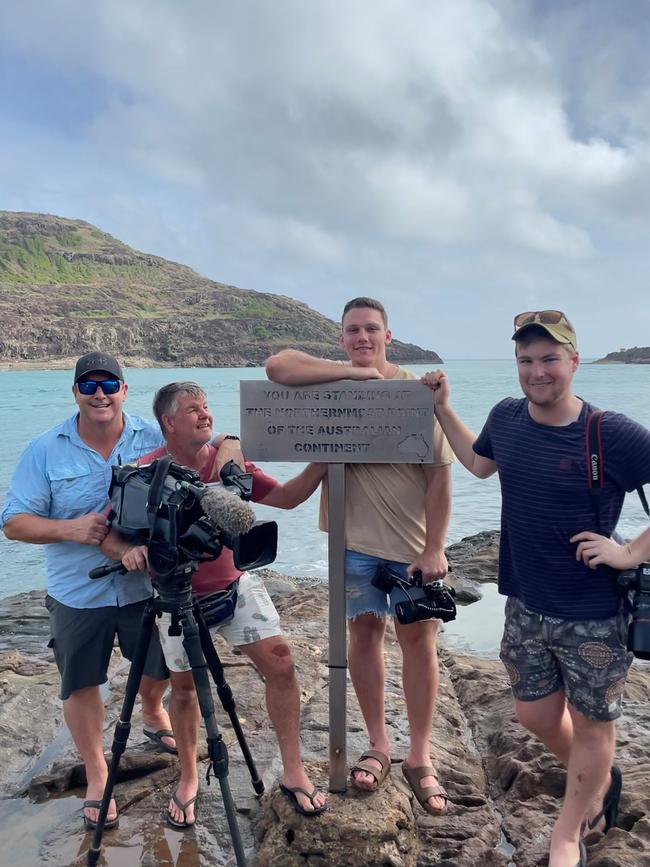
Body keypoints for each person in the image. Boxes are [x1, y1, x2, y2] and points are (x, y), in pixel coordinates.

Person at [422, 311, 650, 867]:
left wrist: (627, 552)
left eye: (550, 358)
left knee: (595, 725)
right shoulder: (507, 415)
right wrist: (443, 407)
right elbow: (479, 463)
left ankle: (568, 831)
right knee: (534, 716)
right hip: (524, 602)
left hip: (593, 614)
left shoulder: (610, 432)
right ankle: (597, 781)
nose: (537, 371)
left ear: (574, 361)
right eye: (527, 360)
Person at [102, 381, 328, 828]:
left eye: (207, 407)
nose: (206, 415)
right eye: (192, 410)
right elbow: (109, 534)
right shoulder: (144, 474)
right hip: (174, 597)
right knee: (185, 691)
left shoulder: (229, 465)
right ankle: (188, 779)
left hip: (236, 586)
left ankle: (293, 769)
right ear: (168, 422)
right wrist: (126, 553)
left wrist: (326, 455)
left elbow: (286, 497)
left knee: (282, 665)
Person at [265, 297, 454, 816]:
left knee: (419, 645)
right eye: (353, 331)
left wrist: (434, 547)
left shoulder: (418, 392)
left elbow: (440, 477)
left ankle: (420, 755)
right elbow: (276, 366)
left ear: (388, 335)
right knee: (363, 638)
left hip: (410, 546)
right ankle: (379, 744)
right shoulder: (332, 382)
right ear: (342, 337)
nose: (363, 337)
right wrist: (355, 374)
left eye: (372, 330)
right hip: (350, 544)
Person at [0, 352, 176, 831]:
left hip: (147, 584)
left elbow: (203, 445)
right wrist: (70, 529)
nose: (100, 393)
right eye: (89, 384)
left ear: (124, 389)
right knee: (81, 681)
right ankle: (99, 773)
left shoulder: (155, 436)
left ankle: (153, 711)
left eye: (109, 384)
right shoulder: (45, 449)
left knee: (159, 666)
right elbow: (13, 523)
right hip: (78, 592)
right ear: (75, 392)